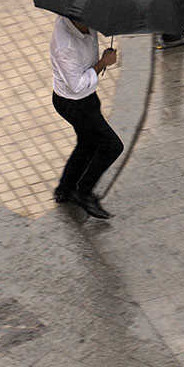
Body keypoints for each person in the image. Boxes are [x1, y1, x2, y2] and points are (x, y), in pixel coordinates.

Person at [50, 15, 123, 219]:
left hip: (87, 99)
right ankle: (83, 192)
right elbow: (77, 85)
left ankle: (65, 189)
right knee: (112, 146)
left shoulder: (85, 22)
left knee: (87, 143)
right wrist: (102, 62)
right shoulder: (65, 46)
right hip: (73, 103)